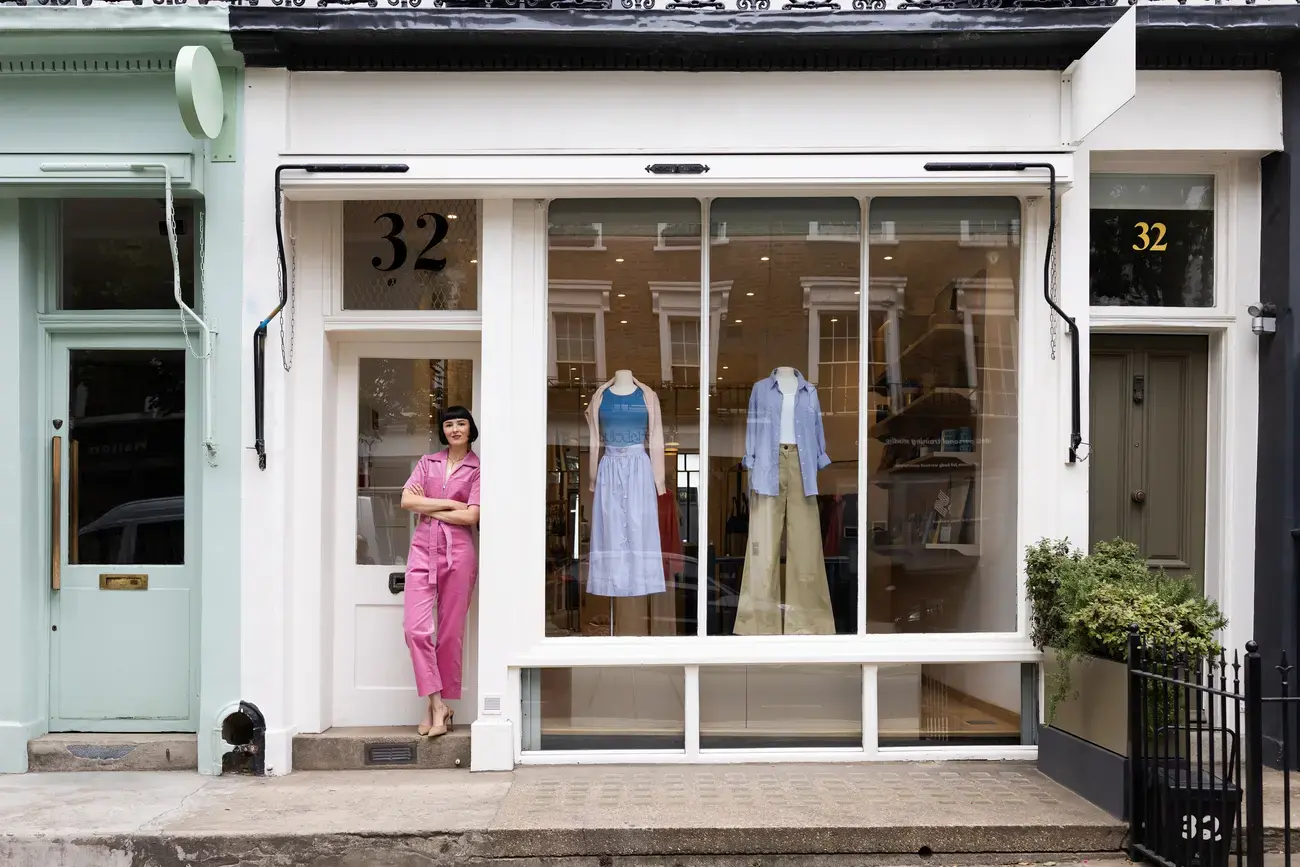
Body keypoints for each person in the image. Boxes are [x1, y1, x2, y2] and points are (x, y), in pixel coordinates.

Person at [400, 406, 481, 738]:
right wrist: (452, 504)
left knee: (449, 634)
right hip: (422, 550)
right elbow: (407, 501)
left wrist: (431, 504)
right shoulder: (427, 462)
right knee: (416, 631)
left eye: (461, 423)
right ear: (443, 430)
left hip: (459, 554)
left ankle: (438, 706)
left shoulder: (478, 469)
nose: (455, 429)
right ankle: (438, 704)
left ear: (470, 428)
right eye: (449, 424)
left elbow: (472, 518)